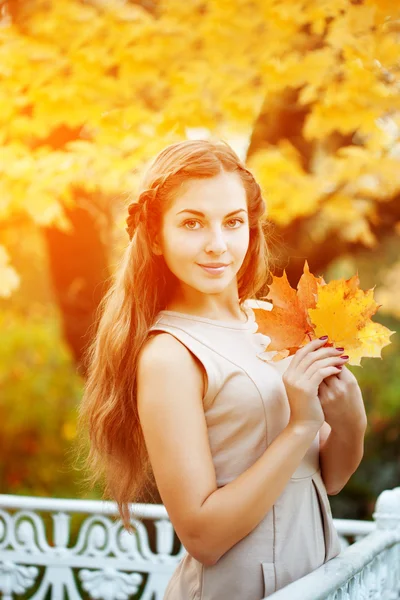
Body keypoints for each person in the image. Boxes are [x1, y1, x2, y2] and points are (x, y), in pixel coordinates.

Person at [78, 138, 344, 600]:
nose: (217, 245)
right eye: (192, 223)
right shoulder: (169, 354)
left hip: (316, 576)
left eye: (233, 222)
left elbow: (332, 477)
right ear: (157, 237)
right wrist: (302, 425)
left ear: (251, 227)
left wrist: (348, 410)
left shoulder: (271, 323)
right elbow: (203, 537)